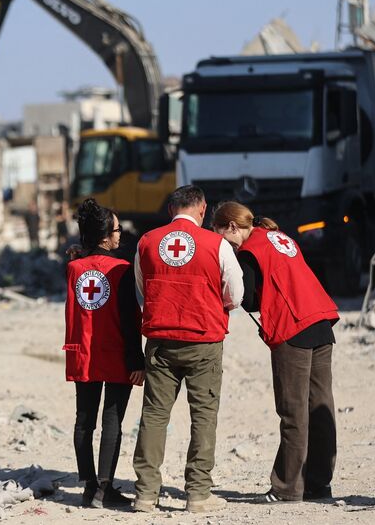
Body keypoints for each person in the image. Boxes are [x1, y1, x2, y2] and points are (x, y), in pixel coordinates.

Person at [211, 201, 339, 504]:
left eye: (219, 234)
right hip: (320, 319)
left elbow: (247, 298)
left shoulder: (251, 251)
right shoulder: (279, 237)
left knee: (293, 411)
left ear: (230, 226)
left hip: (292, 326)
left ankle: (286, 487)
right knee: (320, 406)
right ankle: (319, 483)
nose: (222, 243)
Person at [132, 185, 243, 514]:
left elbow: (143, 287)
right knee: (203, 417)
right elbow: (235, 293)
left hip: (160, 341)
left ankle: (145, 495)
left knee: (153, 416)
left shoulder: (146, 242)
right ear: (203, 209)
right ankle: (197, 494)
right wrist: (216, 305)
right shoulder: (218, 244)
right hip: (204, 340)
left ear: (170, 210)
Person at [64, 198, 145, 509]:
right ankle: (105, 488)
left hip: (83, 352)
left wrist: (82, 253)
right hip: (116, 354)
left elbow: (87, 262)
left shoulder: (73, 268)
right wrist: (137, 361)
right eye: (117, 229)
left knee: (83, 421)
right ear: (105, 234)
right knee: (112, 422)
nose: (120, 234)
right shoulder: (122, 269)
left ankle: (88, 486)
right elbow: (129, 318)